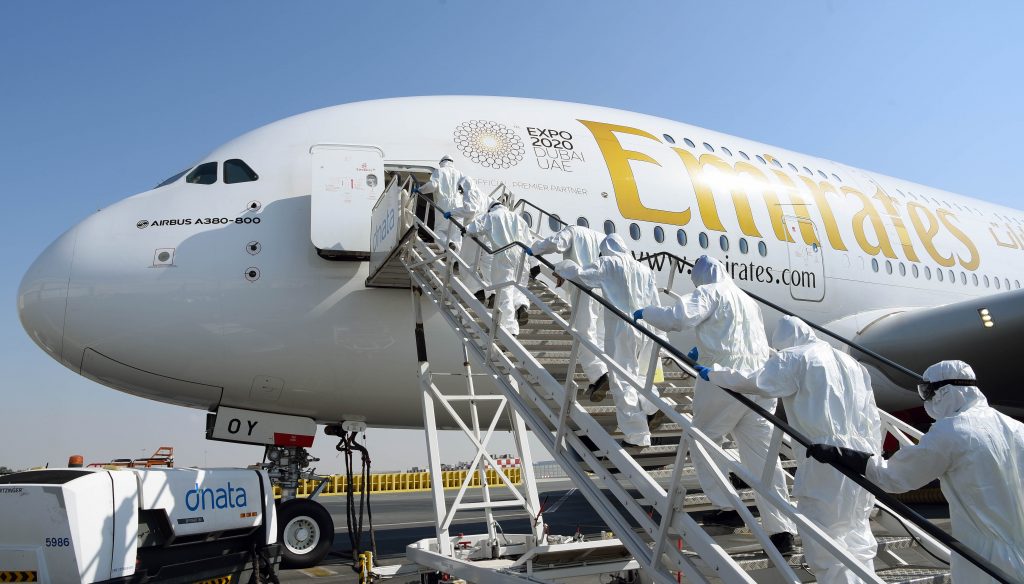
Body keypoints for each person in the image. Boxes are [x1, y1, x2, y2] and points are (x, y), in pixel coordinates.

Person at [635, 255, 798, 555]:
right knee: (764, 461)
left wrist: (646, 313)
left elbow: (677, 319)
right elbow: (741, 339)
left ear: (701, 278)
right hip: (760, 384)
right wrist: (705, 346)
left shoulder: (709, 292)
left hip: (726, 380)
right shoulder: (749, 301)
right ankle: (782, 530)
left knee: (701, 440)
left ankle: (727, 506)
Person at [809, 360, 1024, 584]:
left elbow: (897, 476)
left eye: (928, 392)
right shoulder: (1016, 427)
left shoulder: (952, 430)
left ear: (946, 392)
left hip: (985, 559)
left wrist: (844, 456)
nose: (927, 400)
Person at [710, 315, 881, 583]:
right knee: (858, 538)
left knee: (825, 540)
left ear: (785, 343)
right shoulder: (851, 363)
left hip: (824, 459)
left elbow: (757, 382)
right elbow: (873, 418)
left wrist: (713, 373)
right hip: (860, 457)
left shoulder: (794, 357)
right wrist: (874, 459)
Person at [555, 234, 662, 447]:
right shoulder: (645, 270)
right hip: (645, 328)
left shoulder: (607, 263)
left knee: (622, 380)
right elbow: (656, 303)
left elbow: (582, 275)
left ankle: (637, 436)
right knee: (638, 375)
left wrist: (561, 267)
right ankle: (654, 406)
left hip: (621, 328)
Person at [529, 224, 609, 396]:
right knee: (601, 337)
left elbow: (556, 243)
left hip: (584, 288)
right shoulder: (604, 239)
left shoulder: (574, 231)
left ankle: (600, 375)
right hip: (605, 291)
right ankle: (607, 372)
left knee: (583, 334)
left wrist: (533, 249)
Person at [465, 201, 533, 335]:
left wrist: (465, 230)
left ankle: (509, 328)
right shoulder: (518, 218)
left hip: (504, 254)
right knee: (519, 287)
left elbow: (473, 229)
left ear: (490, 209)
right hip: (522, 255)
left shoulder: (491, 216)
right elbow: (529, 241)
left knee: (504, 291)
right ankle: (521, 305)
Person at [445, 176, 491, 302]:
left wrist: (453, 211)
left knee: (464, 263)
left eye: (460, 189)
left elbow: (470, 211)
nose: (460, 192)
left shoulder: (470, 193)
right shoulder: (482, 195)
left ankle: (477, 290)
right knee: (484, 264)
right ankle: (491, 293)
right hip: (484, 232)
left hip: (473, 232)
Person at [418, 155, 466, 250]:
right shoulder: (460, 173)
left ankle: (448, 244)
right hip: (459, 204)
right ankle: (456, 259)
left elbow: (433, 186)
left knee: (440, 230)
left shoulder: (439, 171)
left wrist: (420, 190)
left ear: (442, 163)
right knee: (457, 233)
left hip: (444, 203)